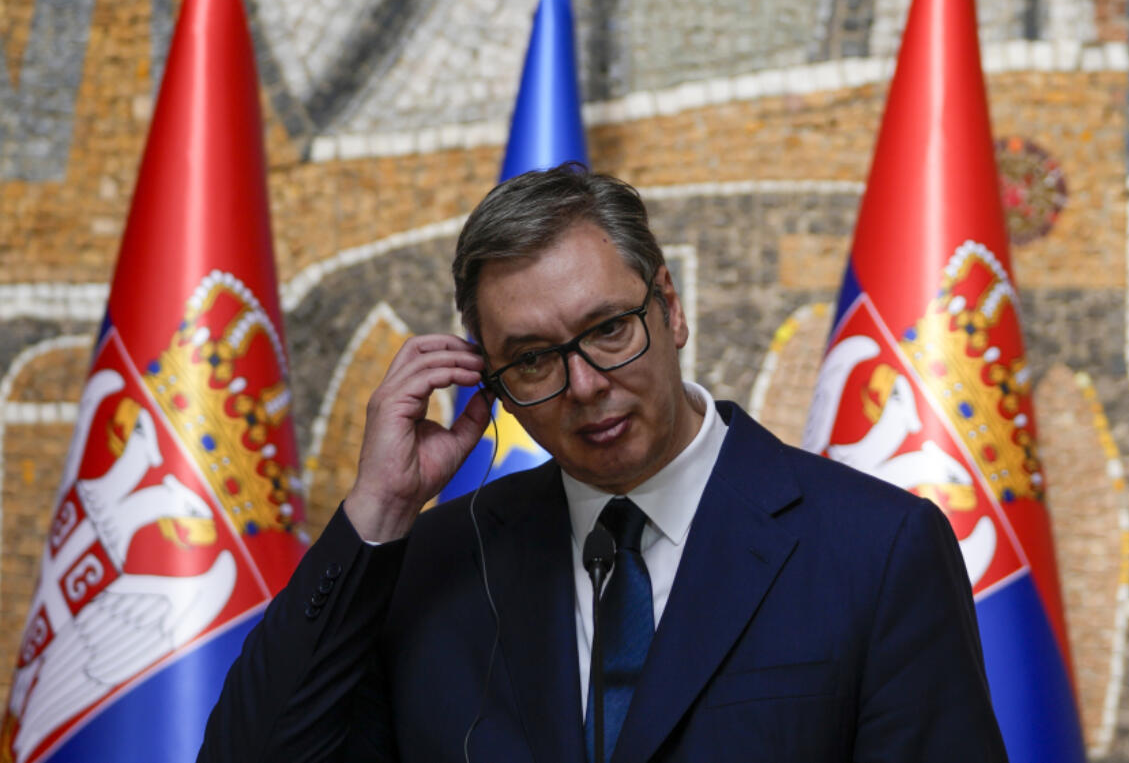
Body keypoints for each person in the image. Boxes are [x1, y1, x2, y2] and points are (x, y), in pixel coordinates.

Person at [198, 163, 1007, 762]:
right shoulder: (433, 565)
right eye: (534, 359)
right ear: (493, 381)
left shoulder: (876, 548)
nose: (585, 385)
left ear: (672, 305)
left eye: (610, 329)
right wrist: (377, 512)